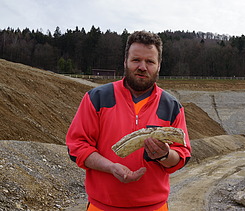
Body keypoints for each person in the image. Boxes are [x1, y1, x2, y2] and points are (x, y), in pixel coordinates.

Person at [66, 30, 191, 211]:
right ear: (125, 61)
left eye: (149, 61)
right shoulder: (97, 98)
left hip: (154, 208)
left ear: (159, 66)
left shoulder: (172, 106)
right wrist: (110, 167)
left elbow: (182, 155)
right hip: (102, 207)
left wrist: (164, 155)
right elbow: (77, 147)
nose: (142, 67)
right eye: (136, 60)